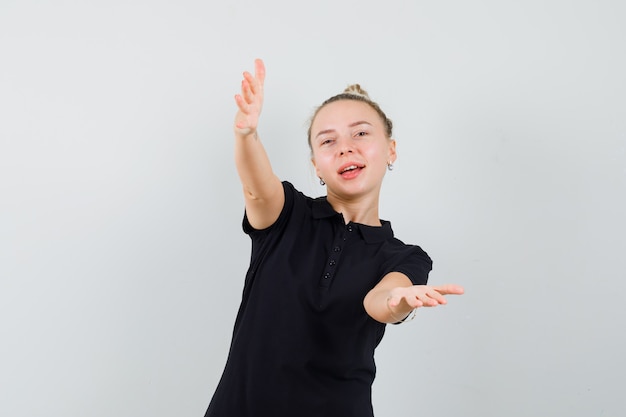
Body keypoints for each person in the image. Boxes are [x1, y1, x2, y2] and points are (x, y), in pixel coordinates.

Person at [204, 58, 464, 417]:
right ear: (317, 167)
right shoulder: (288, 214)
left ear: (390, 149)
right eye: (328, 141)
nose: (345, 148)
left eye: (360, 133)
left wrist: (399, 301)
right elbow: (258, 192)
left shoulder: (404, 257)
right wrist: (246, 135)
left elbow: (381, 301)